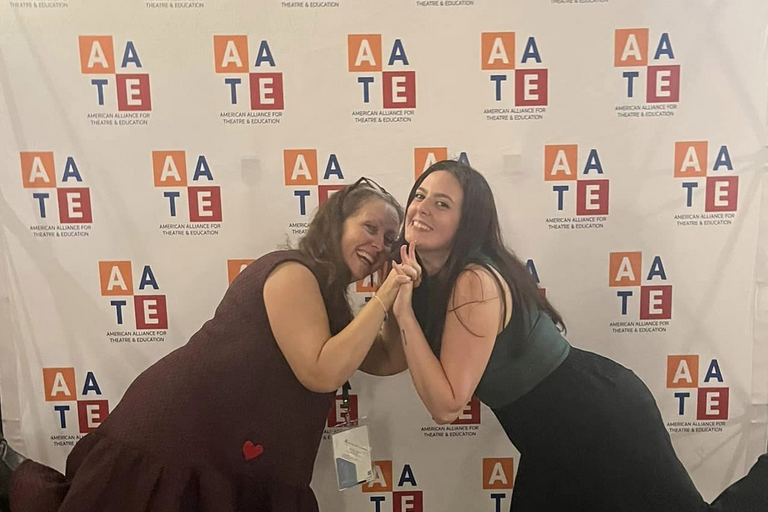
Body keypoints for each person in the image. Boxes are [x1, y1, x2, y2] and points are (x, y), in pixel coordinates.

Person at [3, 177, 411, 512]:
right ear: (336, 223)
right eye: (370, 227)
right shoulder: (293, 272)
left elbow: (389, 358)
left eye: (390, 239)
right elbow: (322, 371)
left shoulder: (333, 302)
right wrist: (385, 293)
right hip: (177, 442)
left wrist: (403, 300)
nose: (379, 245)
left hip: (233, 459)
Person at [388, 160, 768, 511]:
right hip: (551, 442)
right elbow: (391, 360)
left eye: (441, 203)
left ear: (468, 221)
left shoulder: (474, 280)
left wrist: (403, 313)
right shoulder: (427, 283)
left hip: (599, 421)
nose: (421, 207)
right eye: (419, 195)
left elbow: (447, 404)